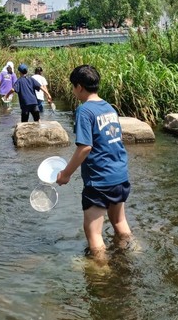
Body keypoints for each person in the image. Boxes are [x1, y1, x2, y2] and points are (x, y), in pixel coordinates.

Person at [56, 65, 131, 259]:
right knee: (119, 222)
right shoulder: (109, 107)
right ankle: (132, 253)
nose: (74, 91)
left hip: (99, 180)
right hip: (119, 175)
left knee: (94, 233)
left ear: (79, 87)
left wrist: (65, 174)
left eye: (73, 87)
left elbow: (85, 148)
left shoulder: (84, 111)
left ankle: (101, 276)